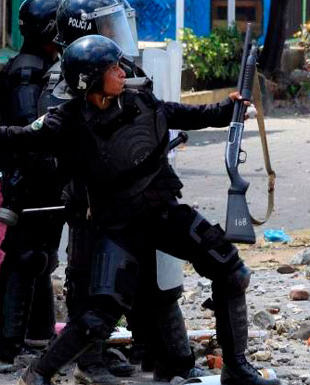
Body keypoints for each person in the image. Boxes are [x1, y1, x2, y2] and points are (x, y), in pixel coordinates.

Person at [0, 35, 280, 385]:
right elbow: (16, 137)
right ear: (89, 80)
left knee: (232, 272)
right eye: (112, 68)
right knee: (99, 316)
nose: (121, 72)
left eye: (119, 65)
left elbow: (180, 113)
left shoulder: (139, 99)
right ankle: (38, 374)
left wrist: (227, 109)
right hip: (117, 227)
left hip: (161, 210)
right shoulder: (66, 122)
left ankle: (236, 367)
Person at [41, 1, 207, 383]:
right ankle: (90, 361)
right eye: (106, 28)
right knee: (90, 282)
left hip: (139, 198)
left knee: (154, 278)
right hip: (90, 202)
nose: (116, 39)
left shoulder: (124, 71)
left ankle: (166, 357)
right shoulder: (62, 83)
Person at [0, 0, 63, 363]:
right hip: (29, 178)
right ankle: (9, 344)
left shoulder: (45, 65)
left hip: (44, 177)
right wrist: (47, 169)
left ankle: (38, 335)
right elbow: (27, 131)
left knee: (43, 257)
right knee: (26, 255)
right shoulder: (27, 71)